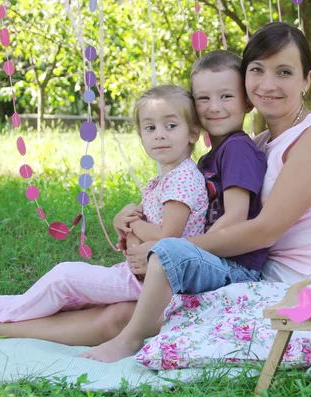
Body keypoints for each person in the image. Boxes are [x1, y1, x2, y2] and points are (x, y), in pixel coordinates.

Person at [0, 22, 311, 354]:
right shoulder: (261, 142)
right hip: (256, 278)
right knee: (125, 302)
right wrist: (135, 216)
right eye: (257, 70)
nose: (267, 83)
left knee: (131, 314)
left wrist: (164, 250)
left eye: (285, 72)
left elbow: (262, 231)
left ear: (308, 80)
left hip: (307, 293)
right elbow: (198, 198)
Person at [0, 84, 209, 323]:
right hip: (144, 274)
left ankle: (1, 319)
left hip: (161, 282)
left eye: (170, 126)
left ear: (193, 133)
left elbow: (168, 237)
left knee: (64, 277)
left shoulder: (182, 178)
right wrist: (122, 222)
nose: (159, 134)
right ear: (141, 136)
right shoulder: (166, 178)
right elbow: (151, 229)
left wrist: (134, 223)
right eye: (150, 127)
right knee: (68, 294)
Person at [78, 49, 269, 361]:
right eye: (203, 99)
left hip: (236, 267)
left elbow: (235, 217)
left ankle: (130, 339)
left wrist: (171, 251)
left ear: (246, 101)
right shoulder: (209, 159)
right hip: (215, 258)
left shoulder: (237, 149)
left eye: (226, 96)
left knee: (168, 250)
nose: (215, 107)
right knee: (151, 263)